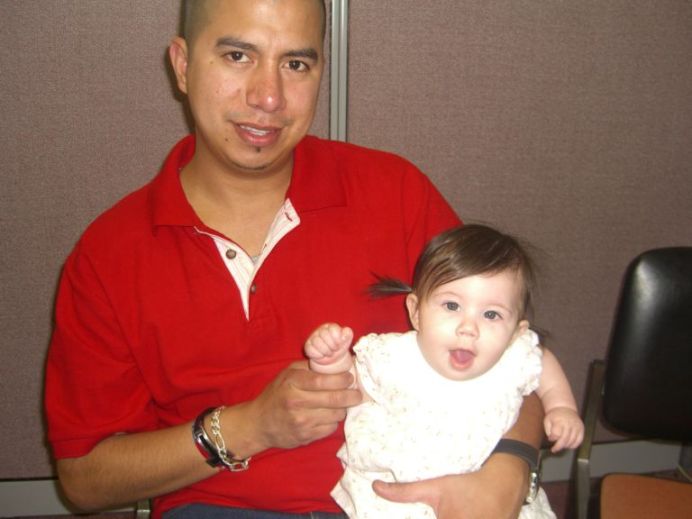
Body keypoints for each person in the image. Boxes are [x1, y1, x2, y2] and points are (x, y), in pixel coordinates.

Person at [44, 1, 544, 518]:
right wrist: (251, 426)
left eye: (296, 64)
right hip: (219, 507)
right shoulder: (110, 253)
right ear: (183, 65)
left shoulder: (396, 195)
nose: (268, 96)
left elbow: (514, 361)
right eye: (238, 56)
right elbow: (84, 479)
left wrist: (508, 471)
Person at [305, 224, 584, 518]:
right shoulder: (394, 356)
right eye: (451, 306)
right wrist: (332, 360)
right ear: (416, 312)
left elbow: (542, 361)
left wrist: (561, 407)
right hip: (399, 497)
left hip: (487, 494)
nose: (468, 328)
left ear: (516, 333)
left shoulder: (512, 357)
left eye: (491, 314)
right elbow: (351, 388)